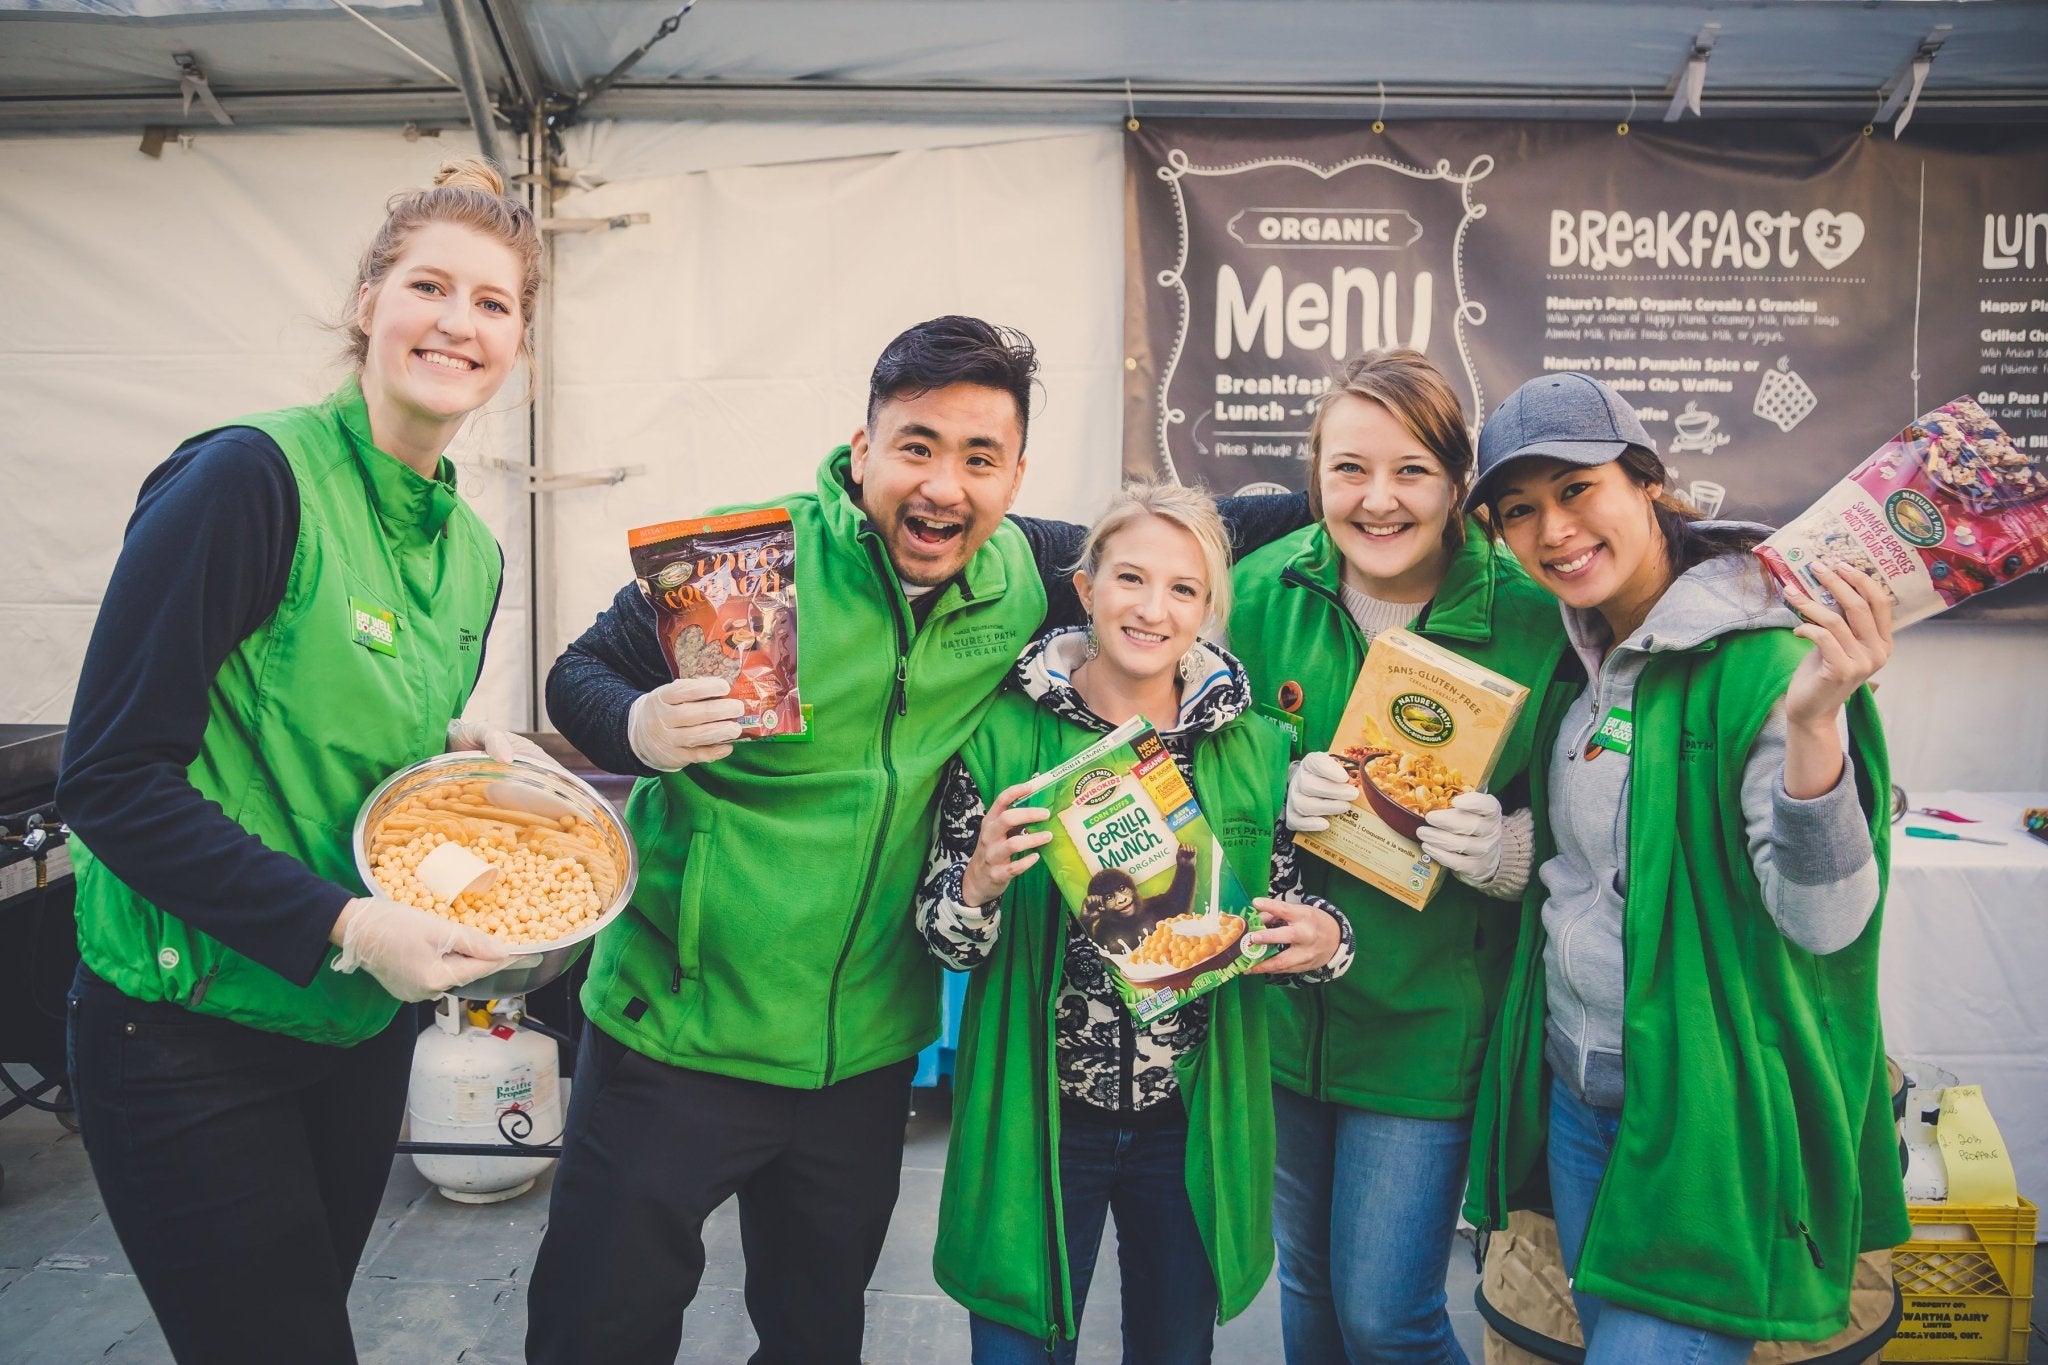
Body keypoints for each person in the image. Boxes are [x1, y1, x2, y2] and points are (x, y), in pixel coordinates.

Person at [529, 316, 1309, 1365]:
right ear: (862, 450)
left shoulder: (1026, 572)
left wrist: (1374, 496)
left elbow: (1205, 531)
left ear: (1014, 476)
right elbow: (577, 675)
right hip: (677, 1029)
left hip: (860, 1054)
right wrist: (637, 727)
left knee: (813, 1339)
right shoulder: (746, 562)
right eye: (916, 446)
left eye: (978, 459)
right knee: (599, 1331)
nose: (943, 486)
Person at [58, 160, 553, 1365]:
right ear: (367, 304)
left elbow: (323, 707)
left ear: (520, 349)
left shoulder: (472, 555)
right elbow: (112, 778)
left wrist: (455, 742)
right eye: (428, 285)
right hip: (186, 1030)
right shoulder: (245, 479)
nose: (457, 322)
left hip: (350, 1031)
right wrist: (351, 925)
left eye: (493, 304)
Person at [1462, 373, 1907, 1360]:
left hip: (1699, 1114)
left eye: (1576, 489)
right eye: (1518, 511)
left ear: (1646, 482)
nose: (1551, 532)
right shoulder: (1572, 663)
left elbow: (1823, 919)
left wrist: (1811, 727)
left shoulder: (1763, 657)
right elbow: (1588, 867)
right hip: (1579, 1105)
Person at [919, 480, 1354, 1364]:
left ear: (1208, 610)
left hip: (1187, 1123)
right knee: (1015, 1346)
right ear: (1086, 587)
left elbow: (1292, 914)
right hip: (1040, 1119)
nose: (1153, 609)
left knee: (1172, 1347)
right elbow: (941, 937)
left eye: (1183, 589)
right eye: (1130, 578)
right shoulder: (1002, 735)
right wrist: (978, 881)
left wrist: (1326, 941)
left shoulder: (1256, 746)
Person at [1227, 349, 1565, 1363]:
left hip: (1425, 1025)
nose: (1377, 501)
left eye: (1410, 471)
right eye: (1347, 470)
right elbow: (1184, 769)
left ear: (1458, 482)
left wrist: (1507, 850)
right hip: (1281, 1015)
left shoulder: (1533, 618)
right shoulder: (1256, 596)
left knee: (1386, 1314)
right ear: (1313, 472)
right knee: (1308, 1290)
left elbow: (1600, 805)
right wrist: (1264, 791)